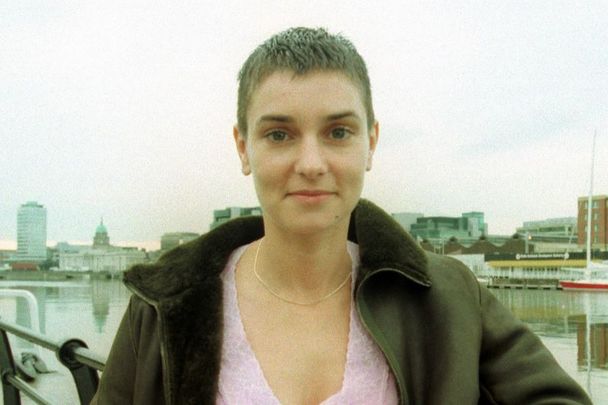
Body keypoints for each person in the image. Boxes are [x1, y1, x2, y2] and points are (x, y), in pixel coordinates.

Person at [91, 27, 591, 405]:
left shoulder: (448, 300)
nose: (311, 164)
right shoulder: (162, 305)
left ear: (370, 143)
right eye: (279, 134)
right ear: (243, 148)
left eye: (337, 133)